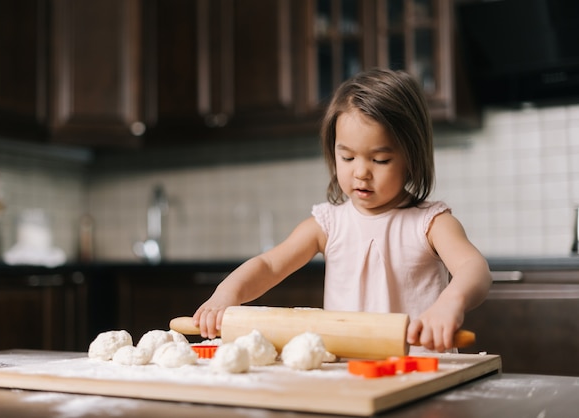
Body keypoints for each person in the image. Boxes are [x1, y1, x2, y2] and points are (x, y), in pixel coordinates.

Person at [193, 68, 491, 352]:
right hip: (348, 372)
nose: (361, 172)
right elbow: (269, 266)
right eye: (347, 157)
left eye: (380, 160)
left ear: (412, 157)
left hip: (421, 371)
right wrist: (227, 294)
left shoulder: (431, 223)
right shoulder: (327, 224)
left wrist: (451, 302)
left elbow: (473, 269)